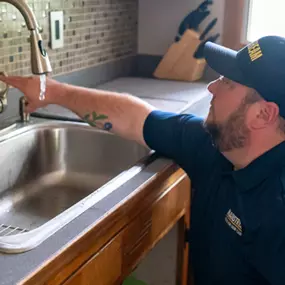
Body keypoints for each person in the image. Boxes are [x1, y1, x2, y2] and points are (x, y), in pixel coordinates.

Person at [1, 35, 285, 285]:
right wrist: (53, 92)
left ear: (262, 115)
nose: (211, 87)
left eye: (228, 82)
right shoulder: (216, 148)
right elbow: (135, 117)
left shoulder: (277, 209)